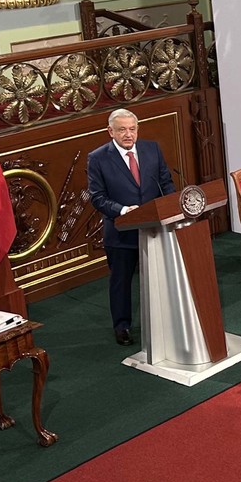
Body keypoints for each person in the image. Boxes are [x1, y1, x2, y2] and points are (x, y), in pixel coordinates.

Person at [87, 108, 175, 346]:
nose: (128, 134)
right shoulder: (98, 158)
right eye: (122, 130)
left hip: (155, 227)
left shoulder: (152, 149)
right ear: (110, 131)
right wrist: (123, 210)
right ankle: (122, 326)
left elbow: (165, 182)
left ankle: (165, 321)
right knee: (121, 282)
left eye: (132, 129)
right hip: (121, 232)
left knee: (162, 276)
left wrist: (171, 207)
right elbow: (97, 197)